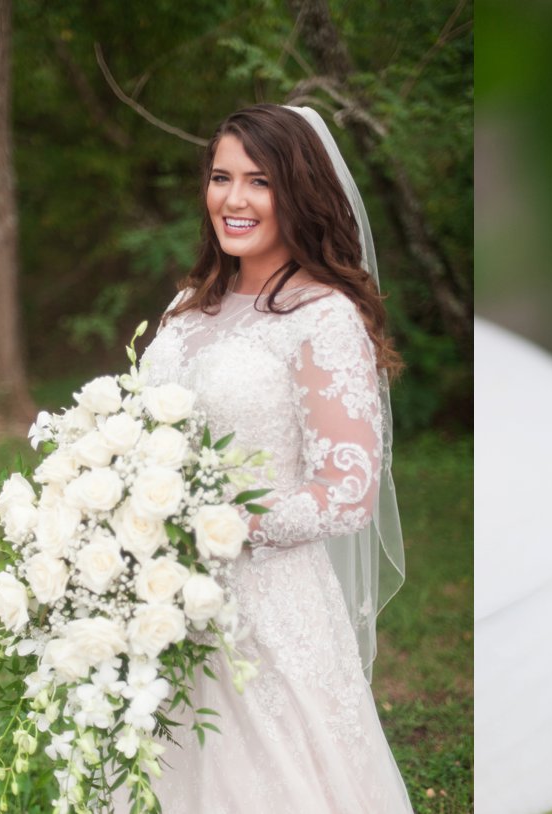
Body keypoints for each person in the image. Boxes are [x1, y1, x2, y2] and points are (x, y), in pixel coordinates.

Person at [132, 104, 412, 813]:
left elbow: (348, 492)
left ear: (299, 192)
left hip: (269, 607)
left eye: (259, 182)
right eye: (221, 177)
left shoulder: (323, 318)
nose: (234, 199)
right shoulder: (187, 306)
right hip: (161, 596)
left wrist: (220, 524)